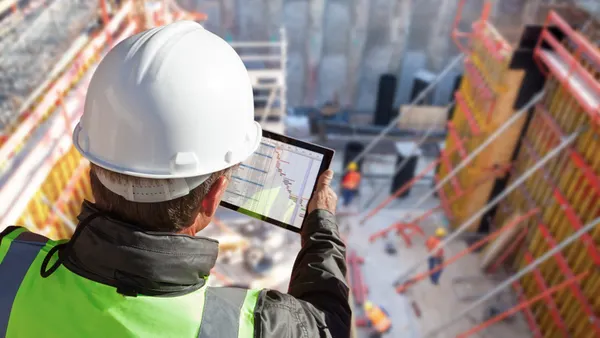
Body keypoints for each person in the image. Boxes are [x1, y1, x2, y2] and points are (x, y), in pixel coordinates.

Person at [0, 21, 350, 338]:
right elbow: (328, 325)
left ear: (94, 165)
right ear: (213, 196)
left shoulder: (9, 261)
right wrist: (320, 228)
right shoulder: (247, 328)